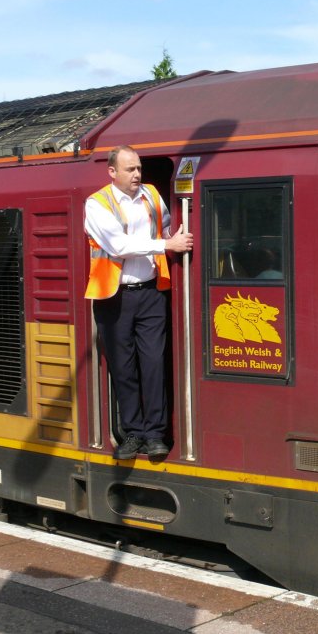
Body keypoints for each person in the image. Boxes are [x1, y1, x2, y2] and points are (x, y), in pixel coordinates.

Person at [84, 145, 194, 460]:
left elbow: (168, 225)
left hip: (150, 292)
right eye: (130, 169)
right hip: (113, 297)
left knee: (154, 363)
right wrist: (165, 243)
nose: (137, 175)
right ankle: (132, 434)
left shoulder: (152, 195)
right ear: (112, 172)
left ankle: (155, 435)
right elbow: (117, 245)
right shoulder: (97, 204)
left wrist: (179, 235)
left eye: (139, 169)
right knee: (123, 368)